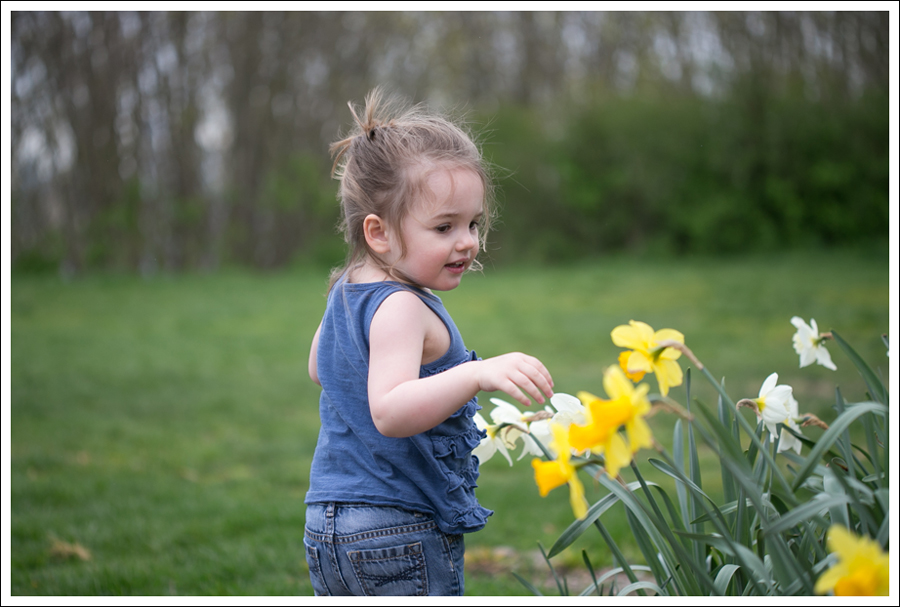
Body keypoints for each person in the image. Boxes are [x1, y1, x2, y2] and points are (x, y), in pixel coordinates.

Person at [304, 88, 554, 596]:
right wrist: (475, 374)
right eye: (444, 227)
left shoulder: (349, 289)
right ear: (379, 233)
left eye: (472, 224)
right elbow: (390, 412)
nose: (467, 241)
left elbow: (319, 367)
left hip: (329, 524)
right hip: (397, 524)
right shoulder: (400, 305)